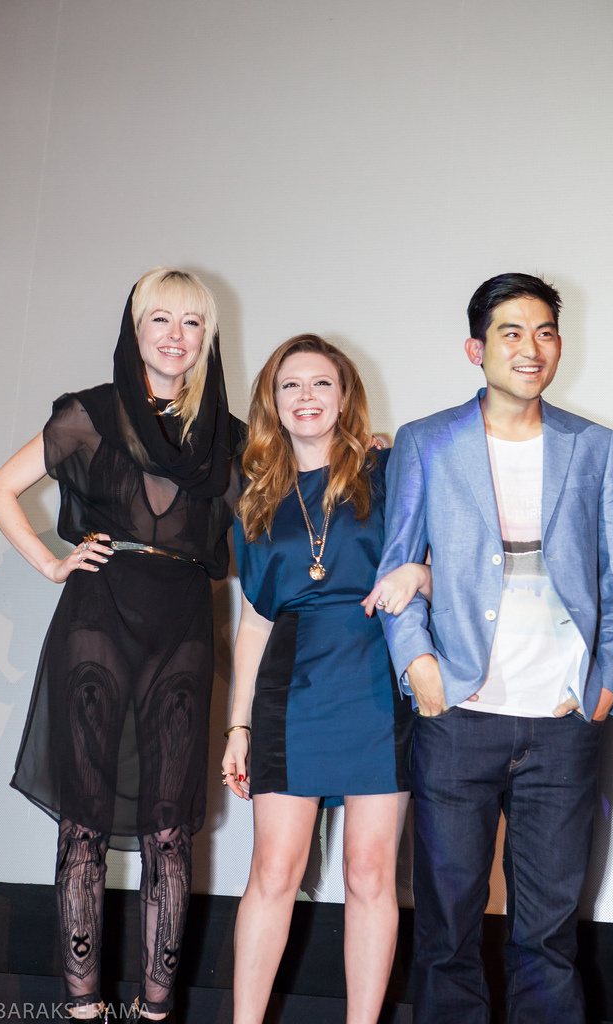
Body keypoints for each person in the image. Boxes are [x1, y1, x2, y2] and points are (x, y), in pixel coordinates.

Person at [376, 273, 613, 1024]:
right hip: (458, 715)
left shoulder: (592, 446)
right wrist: (417, 666)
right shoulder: (427, 442)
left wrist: (607, 684)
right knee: (445, 935)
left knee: (549, 938)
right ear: (475, 348)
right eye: (511, 333)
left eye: (545, 332)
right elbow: (395, 565)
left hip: (562, 723)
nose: (531, 349)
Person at [0, 267, 240, 1021]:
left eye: (191, 323)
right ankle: (84, 1011)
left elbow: (292, 501)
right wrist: (52, 564)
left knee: (168, 831)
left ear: (207, 338)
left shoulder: (230, 437)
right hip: (98, 617)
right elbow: (0, 490)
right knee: (84, 823)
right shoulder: (89, 415)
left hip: (184, 624)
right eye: (159, 320)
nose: (174, 336)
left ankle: (155, 1013)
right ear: (135, 332)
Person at [222, 334, 431, 1024]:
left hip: (376, 685)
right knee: (273, 873)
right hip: (291, 689)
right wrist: (239, 725)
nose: (305, 397)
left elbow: (450, 559)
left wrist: (420, 574)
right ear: (270, 404)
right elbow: (254, 622)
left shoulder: (391, 469)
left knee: (370, 876)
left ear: (344, 398)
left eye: (320, 384)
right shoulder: (253, 498)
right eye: (289, 386)